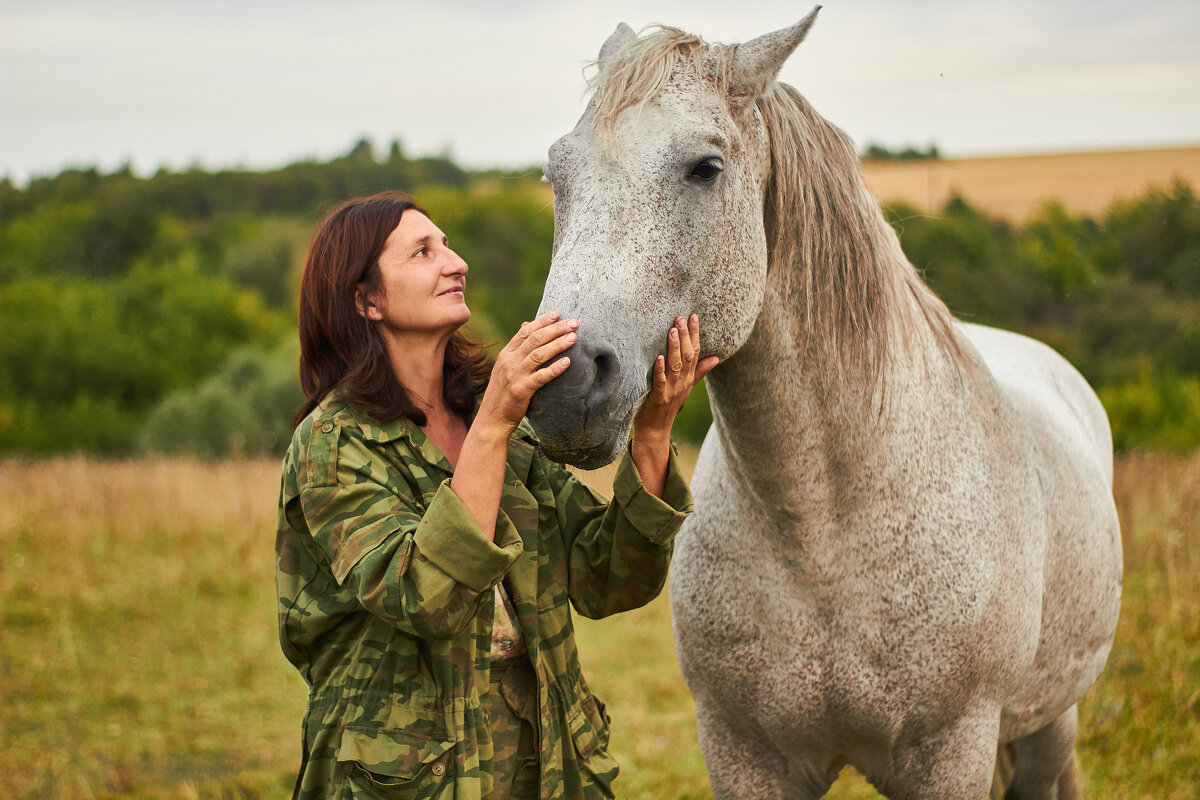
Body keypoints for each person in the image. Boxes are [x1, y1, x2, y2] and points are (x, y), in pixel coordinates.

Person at [275, 192, 717, 799]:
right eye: (423, 252)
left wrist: (652, 434)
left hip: (545, 762)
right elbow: (424, 596)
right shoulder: (334, 444)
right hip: (409, 778)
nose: (454, 263)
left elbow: (605, 577)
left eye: (448, 245)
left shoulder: (491, 417)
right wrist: (494, 423)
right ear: (366, 299)